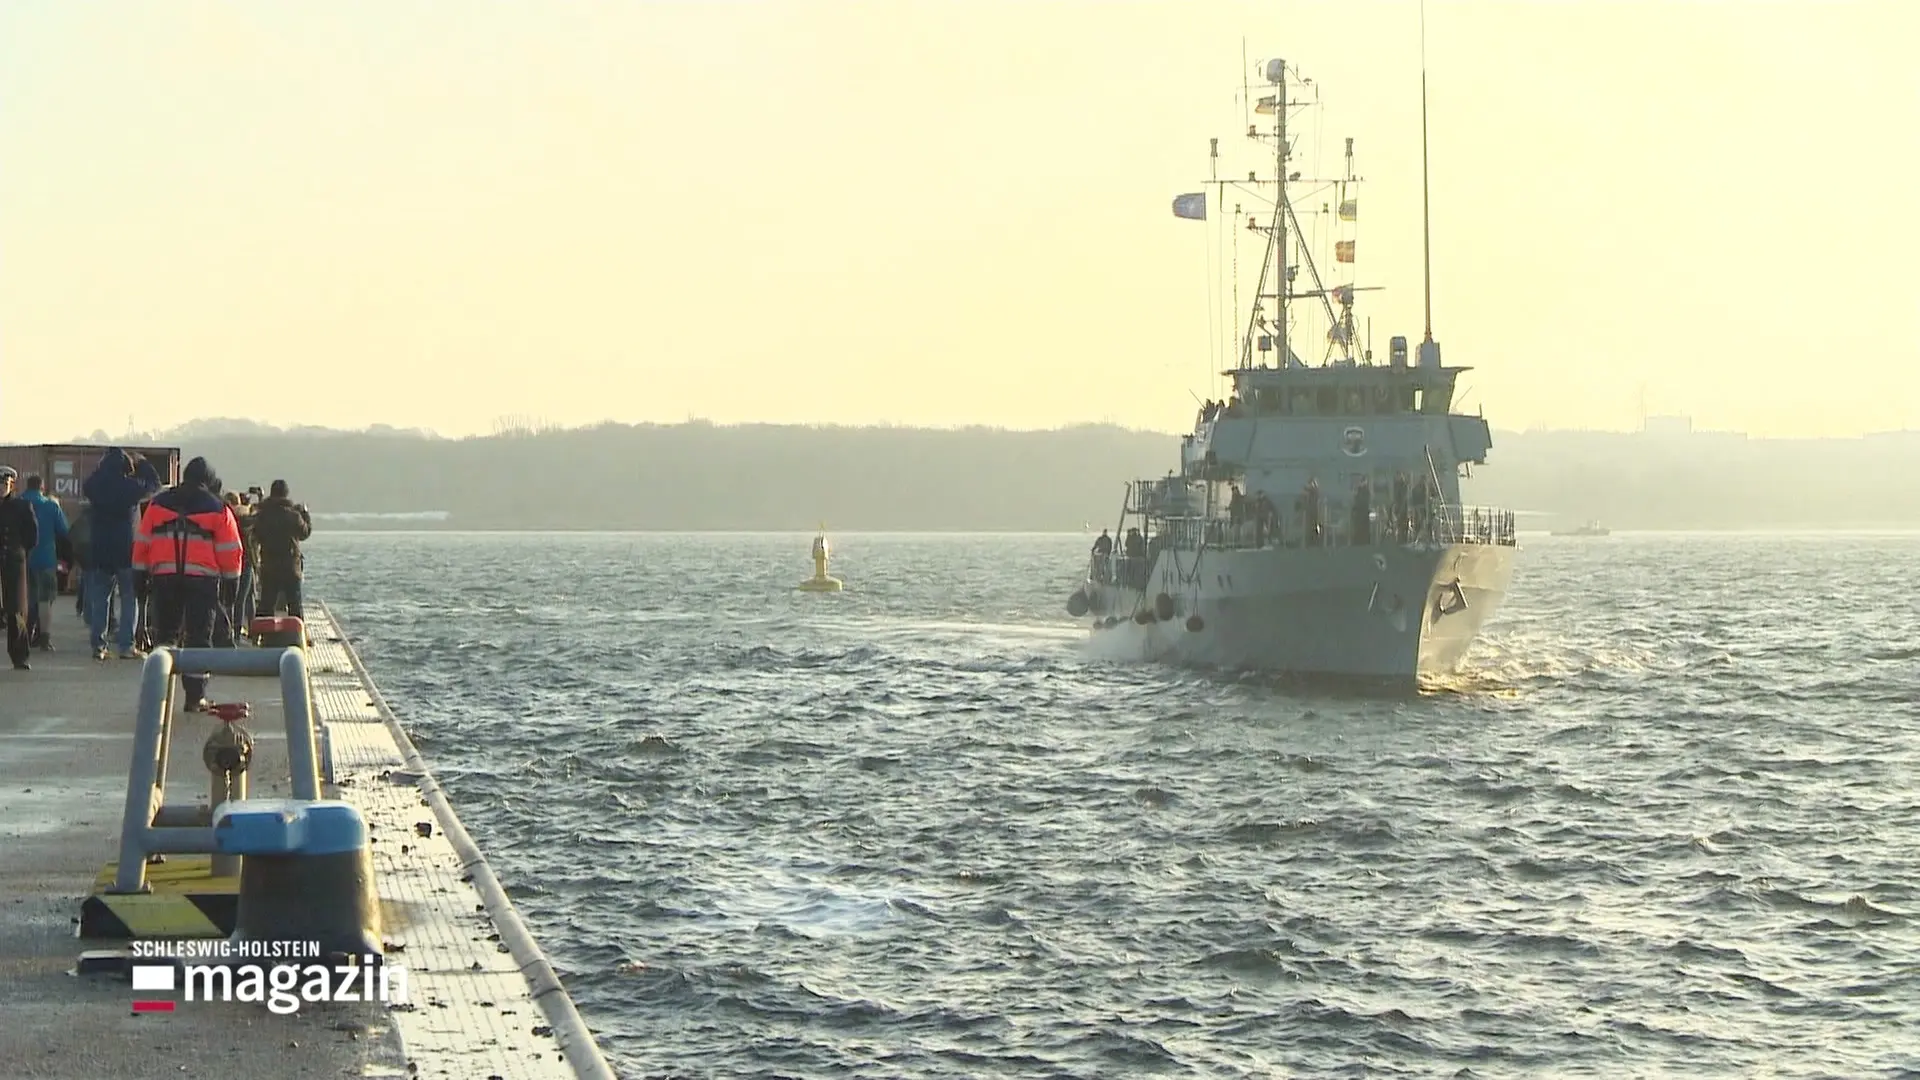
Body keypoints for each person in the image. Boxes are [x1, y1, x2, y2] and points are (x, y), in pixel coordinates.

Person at [133, 457, 242, 712]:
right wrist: (231, 583)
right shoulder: (218, 508)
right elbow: (230, 550)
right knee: (198, 639)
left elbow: (142, 543)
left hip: (164, 577)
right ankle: (195, 698)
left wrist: (139, 576)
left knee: (165, 635)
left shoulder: (157, 504)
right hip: (201, 580)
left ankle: (157, 696)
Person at [82, 448, 161, 660]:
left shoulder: (95, 486)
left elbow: (88, 483)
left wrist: (101, 469)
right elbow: (155, 485)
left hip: (100, 548)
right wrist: (143, 463)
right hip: (127, 549)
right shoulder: (131, 487)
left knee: (101, 598)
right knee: (129, 597)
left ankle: (98, 646)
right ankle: (126, 646)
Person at [20, 475, 69, 650]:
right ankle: (44, 639)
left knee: (25, 599)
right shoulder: (51, 506)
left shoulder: (17, 503)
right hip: (46, 558)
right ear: (43, 487)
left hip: (22, 559)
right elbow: (64, 530)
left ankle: (23, 636)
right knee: (45, 600)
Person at [250, 480, 312, 621]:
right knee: (295, 607)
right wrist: (305, 514)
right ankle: (296, 637)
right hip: (290, 568)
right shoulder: (293, 515)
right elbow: (305, 533)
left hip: (269, 566)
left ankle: (260, 635)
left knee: (266, 605)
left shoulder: (263, 515)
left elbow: (256, 535)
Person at [0, 468, 40, 670]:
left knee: (17, 611)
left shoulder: (22, 506)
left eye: (5, 484)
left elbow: (32, 536)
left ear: (12, 485)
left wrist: (19, 552)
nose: (1, 488)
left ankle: (20, 656)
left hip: (14, 563)